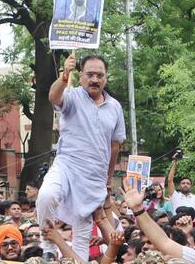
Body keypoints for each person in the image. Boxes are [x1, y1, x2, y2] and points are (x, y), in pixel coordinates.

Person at [38, 53, 126, 261]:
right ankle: (48, 246)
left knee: (81, 242)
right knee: (46, 195)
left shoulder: (115, 107)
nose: (95, 79)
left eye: (100, 75)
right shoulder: (72, 96)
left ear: (106, 77)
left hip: (94, 177)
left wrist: (107, 179)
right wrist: (64, 75)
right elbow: (53, 97)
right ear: (81, 76)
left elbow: (114, 147)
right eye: (90, 74)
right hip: (66, 165)